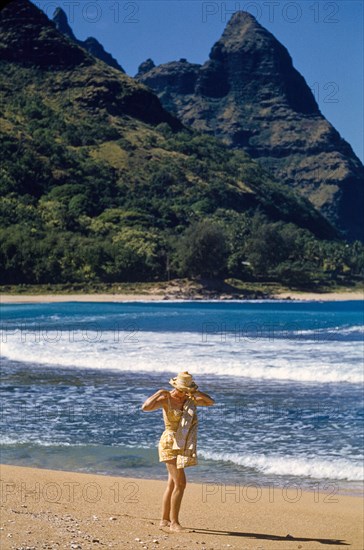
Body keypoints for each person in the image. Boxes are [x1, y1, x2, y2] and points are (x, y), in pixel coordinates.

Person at [141, 371, 215, 532]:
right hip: (168, 443)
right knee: (181, 483)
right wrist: (159, 392)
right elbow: (145, 407)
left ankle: (165, 520)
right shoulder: (165, 399)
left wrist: (195, 392)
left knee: (172, 483)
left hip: (182, 443)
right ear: (176, 387)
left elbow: (210, 402)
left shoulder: (191, 399)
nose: (184, 393)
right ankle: (174, 523)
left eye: (187, 390)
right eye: (182, 390)